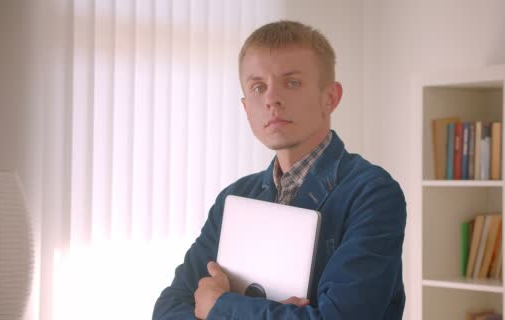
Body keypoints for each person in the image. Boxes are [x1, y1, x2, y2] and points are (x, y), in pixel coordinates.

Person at [152, 20, 407, 320]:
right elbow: (168, 309)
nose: (272, 99)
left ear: (331, 98)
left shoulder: (372, 193)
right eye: (258, 87)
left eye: (292, 82)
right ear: (246, 108)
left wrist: (219, 306)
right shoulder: (234, 198)